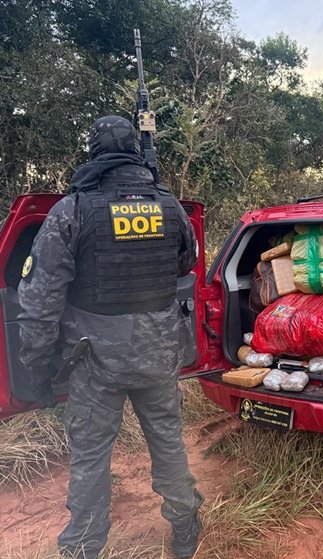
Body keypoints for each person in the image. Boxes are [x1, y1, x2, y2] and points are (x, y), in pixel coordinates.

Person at [18, 115, 203, 559]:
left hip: (94, 360)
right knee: (167, 441)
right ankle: (185, 527)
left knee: (90, 456)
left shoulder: (73, 210)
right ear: (134, 153)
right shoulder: (169, 205)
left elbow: (40, 301)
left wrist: (38, 369)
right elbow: (186, 263)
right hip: (158, 351)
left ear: (94, 152)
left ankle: (84, 547)